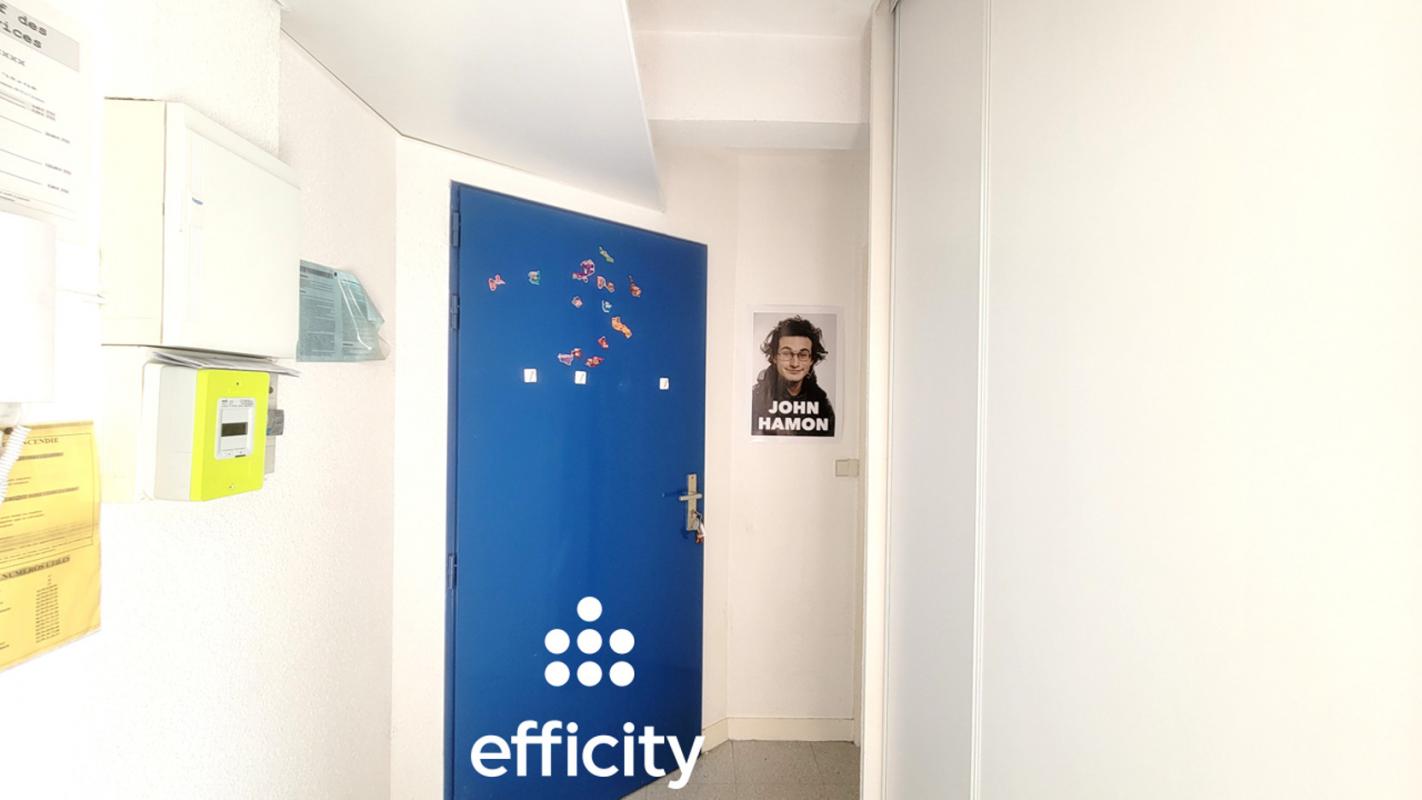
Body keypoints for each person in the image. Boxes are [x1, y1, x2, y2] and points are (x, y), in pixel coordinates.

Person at [751, 316, 835, 437]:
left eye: (803, 355)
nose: (795, 363)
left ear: (812, 360)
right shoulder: (755, 400)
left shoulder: (823, 407)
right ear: (774, 357)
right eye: (786, 353)